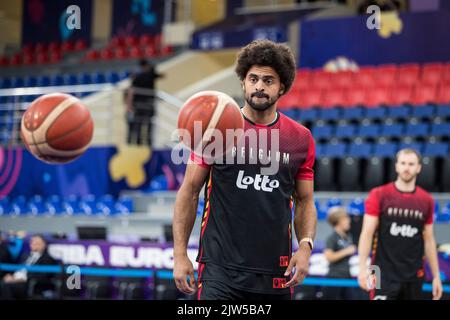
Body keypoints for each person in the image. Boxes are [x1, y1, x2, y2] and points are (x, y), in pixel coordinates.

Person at [173, 40, 317, 300]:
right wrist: (180, 253)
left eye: (268, 80)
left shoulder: (300, 138)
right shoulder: (215, 130)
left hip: (276, 270)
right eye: (253, 79)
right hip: (219, 269)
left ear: (282, 86)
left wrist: (306, 246)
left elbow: (306, 201)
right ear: (243, 82)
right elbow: (190, 191)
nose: (259, 86)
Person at [358, 148, 443, 300]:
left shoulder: (427, 200)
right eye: (403, 163)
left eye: (411, 164)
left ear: (419, 168)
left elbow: (429, 240)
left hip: (414, 274)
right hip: (380, 272)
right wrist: (362, 268)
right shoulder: (379, 194)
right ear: (396, 166)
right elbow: (367, 233)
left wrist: (436, 276)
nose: (406, 168)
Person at [0, 234, 57, 299]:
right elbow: (16, 268)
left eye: (37, 243)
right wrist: (10, 275)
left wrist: (23, 278)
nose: (33, 244)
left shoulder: (48, 259)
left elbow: (44, 276)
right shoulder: (25, 256)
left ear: (43, 245)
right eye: (32, 242)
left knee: (5, 286)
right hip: (15, 279)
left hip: (28, 284)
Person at [126, 59, 164, 146]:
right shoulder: (150, 75)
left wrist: (129, 105)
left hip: (139, 105)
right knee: (147, 126)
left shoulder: (137, 77)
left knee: (139, 125)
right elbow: (162, 75)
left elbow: (131, 91)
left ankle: (139, 144)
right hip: (147, 105)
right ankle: (147, 144)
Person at [323, 207, 357, 300]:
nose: (348, 221)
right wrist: (347, 251)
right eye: (345, 218)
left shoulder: (348, 237)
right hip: (335, 277)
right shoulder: (332, 238)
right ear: (338, 221)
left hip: (347, 277)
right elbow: (329, 257)